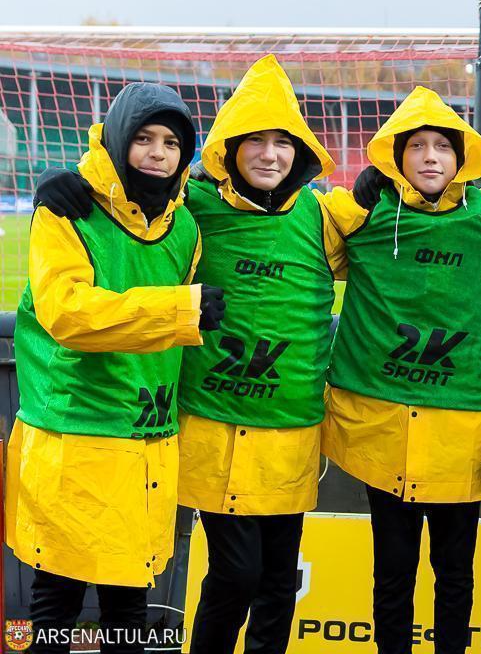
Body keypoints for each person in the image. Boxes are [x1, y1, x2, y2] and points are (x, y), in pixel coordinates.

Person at [35, 54, 344, 654]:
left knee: (275, 583)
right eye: (255, 141)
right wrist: (63, 181)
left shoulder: (325, 215)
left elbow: (403, 243)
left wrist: (388, 191)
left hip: (291, 427)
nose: (270, 155)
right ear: (228, 149)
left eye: (284, 142)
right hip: (190, 424)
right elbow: (124, 200)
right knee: (224, 575)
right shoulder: (191, 205)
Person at [9, 82, 221, 654]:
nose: (158, 153)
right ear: (118, 138)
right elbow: (67, 313)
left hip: (149, 437)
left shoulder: (185, 225)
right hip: (76, 433)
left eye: (172, 143)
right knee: (57, 595)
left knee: (129, 599)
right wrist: (180, 310)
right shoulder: (67, 211)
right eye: (144, 138)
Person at [322, 86, 481, 654]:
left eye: (442, 147)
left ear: (462, 157)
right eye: (417, 146)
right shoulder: (365, 215)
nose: (430, 157)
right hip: (386, 432)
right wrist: (200, 178)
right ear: (395, 157)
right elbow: (280, 216)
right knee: (393, 571)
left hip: (462, 429)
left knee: (455, 573)